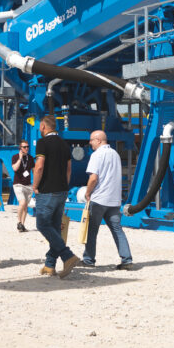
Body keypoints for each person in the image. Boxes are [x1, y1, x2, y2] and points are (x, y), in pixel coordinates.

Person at [33, 116, 80, 277]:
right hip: (62, 191)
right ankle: (50, 264)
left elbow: (39, 167)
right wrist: (64, 186)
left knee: (42, 225)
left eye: (40, 127)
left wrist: (35, 186)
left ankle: (68, 256)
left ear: (44, 126)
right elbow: (68, 169)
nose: (40, 129)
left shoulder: (43, 143)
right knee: (54, 228)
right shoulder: (64, 144)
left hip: (47, 191)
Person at [81, 131, 132, 268]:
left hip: (98, 199)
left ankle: (88, 260)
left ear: (98, 140)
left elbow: (93, 178)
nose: (90, 143)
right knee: (117, 230)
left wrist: (87, 192)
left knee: (92, 231)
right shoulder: (115, 154)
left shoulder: (96, 155)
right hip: (114, 200)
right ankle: (127, 260)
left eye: (91, 140)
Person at [10, 141, 35, 233]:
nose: (27, 148)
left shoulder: (31, 158)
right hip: (18, 184)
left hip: (28, 185)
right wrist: (20, 159)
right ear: (20, 148)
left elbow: (34, 171)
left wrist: (36, 183)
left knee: (25, 206)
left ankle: (22, 225)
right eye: (24, 147)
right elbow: (15, 168)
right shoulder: (15, 157)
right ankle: (18, 222)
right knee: (22, 202)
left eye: (27, 147)